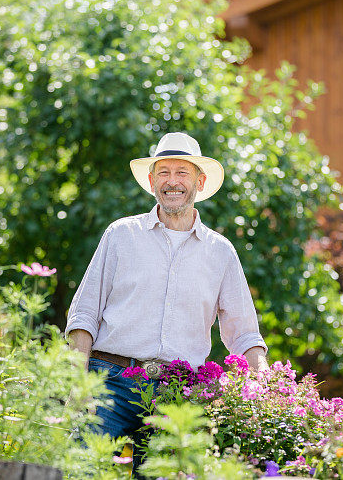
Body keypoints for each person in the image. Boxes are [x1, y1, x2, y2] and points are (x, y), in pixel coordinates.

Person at [65, 131, 267, 469]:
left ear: (200, 182)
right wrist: (76, 383)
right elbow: (84, 315)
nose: (172, 182)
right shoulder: (120, 235)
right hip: (108, 383)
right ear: (151, 180)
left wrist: (266, 384)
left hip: (176, 395)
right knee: (82, 472)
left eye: (182, 173)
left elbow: (244, 335)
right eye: (164, 172)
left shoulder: (221, 253)